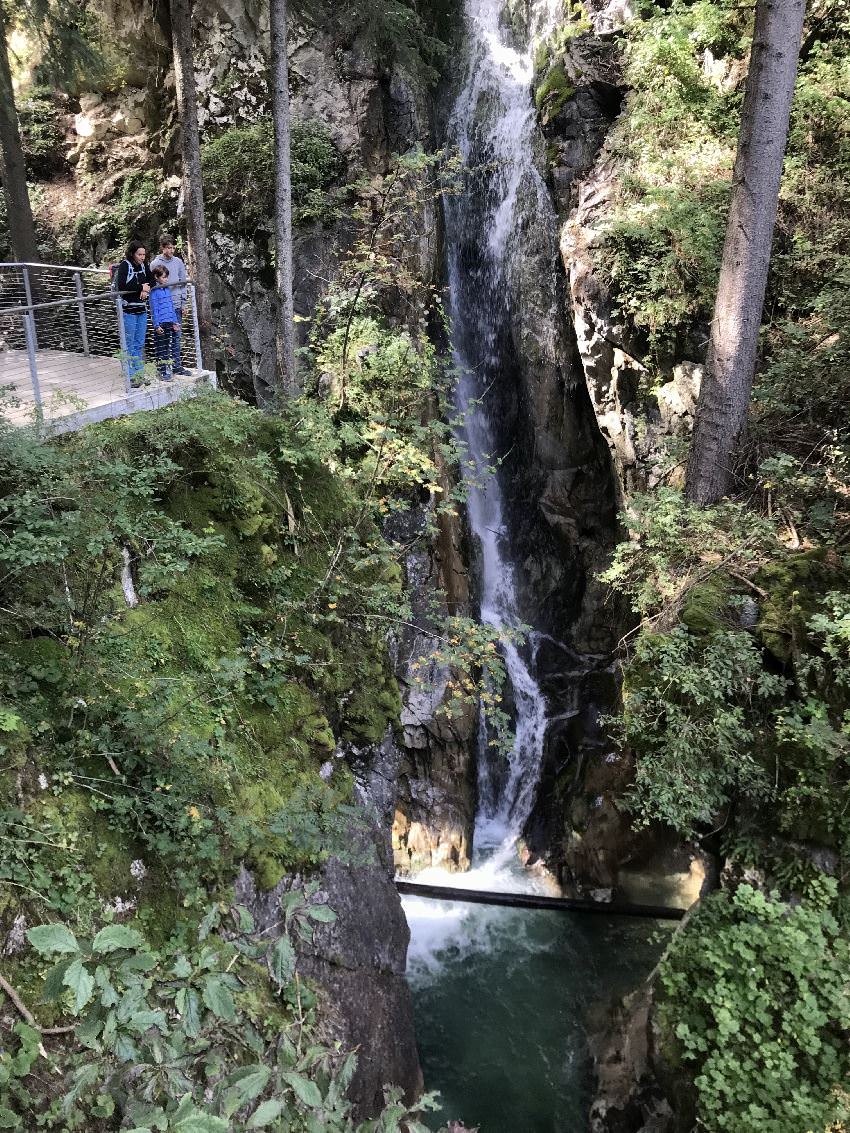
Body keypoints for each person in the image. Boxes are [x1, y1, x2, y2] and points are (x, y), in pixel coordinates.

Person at [150, 233, 191, 375]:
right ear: (162, 248)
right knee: (163, 339)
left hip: (176, 305)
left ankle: (176, 366)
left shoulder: (178, 262)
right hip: (162, 307)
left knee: (176, 337)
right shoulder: (155, 264)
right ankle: (163, 368)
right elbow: (152, 285)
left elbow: (183, 282)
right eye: (168, 248)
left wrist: (184, 303)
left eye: (172, 248)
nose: (171, 251)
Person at [115, 241, 154, 385]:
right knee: (129, 343)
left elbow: (152, 280)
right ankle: (131, 376)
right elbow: (123, 285)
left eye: (144, 254)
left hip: (141, 310)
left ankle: (139, 374)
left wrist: (145, 288)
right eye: (139, 254)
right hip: (128, 311)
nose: (142, 257)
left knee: (139, 343)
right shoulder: (126, 265)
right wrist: (141, 287)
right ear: (132, 254)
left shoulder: (144, 265)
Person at [149, 266, 181, 381]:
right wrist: (156, 325)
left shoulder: (166, 289)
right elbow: (154, 309)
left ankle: (166, 369)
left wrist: (175, 322)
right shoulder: (154, 291)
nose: (166, 279)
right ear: (157, 277)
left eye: (167, 277)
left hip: (169, 322)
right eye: (164, 277)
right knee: (160, 348)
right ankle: (161, 371)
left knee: (167, 347)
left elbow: (171, 307)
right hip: (161, 324)